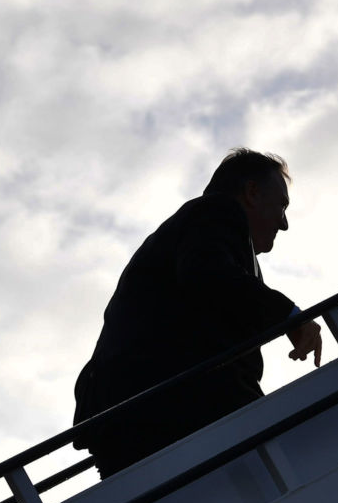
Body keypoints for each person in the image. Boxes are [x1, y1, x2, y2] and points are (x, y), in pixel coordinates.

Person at [72, 149, 323, 478]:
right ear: (251, 192)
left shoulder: (197, 229)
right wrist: (290, 317)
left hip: (138, 412)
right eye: (282, 206)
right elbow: (208, 275)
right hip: (163, 409)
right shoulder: (218, 213)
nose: (284, 223)